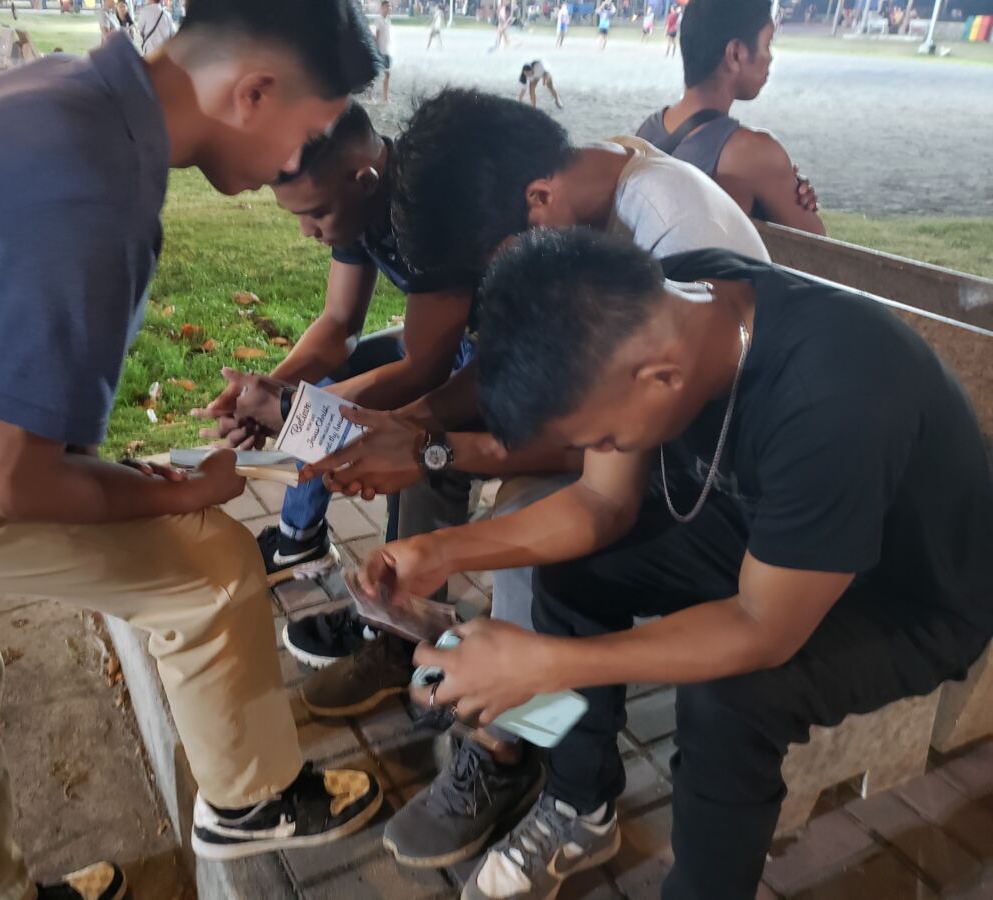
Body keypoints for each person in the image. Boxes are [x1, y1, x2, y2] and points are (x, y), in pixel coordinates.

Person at [0, 3, 387, 898]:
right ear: (255, 92)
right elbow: (9, 482)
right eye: (305, 133)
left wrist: (97, 468)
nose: (291, 164)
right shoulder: (92, 192)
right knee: (211, 567)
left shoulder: (65, 93)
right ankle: (252, 799)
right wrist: (175, 495)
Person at [363, 228, 993, 900]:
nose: (603, 450)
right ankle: (579, 806)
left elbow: (762, 628)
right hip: (779, 536)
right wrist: (443, 550)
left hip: (912, 593)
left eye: (605, 437)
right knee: (577, 572)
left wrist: (547, 663)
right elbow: (602, 504)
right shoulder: (657, 301)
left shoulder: (837, 394)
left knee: (733, 697)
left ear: (661, 377)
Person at [290, 86, 769, 726]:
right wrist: (410, 428)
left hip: (700, 476)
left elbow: (607, 461)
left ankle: (509, 741)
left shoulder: (670, 237)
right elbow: (517, 373)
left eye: (495, 268)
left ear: (537, 202)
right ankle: (408, 631)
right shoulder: (571, 195)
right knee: (432, 453)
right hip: (628, 440)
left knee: (523, 513)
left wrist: (429, 447)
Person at [196, 103, 473, 599]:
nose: (307, 231)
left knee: (414, 443)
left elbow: (425, 370)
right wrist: (267, 392)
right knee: (320, 386)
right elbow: (338, 324)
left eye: (315, 212)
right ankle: (301, 540)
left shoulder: (426, 206)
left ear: (364, 180)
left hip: (498, 359)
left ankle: (404, 611)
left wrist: (291, 409)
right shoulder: (360, 206)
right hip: (445, 345)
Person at [637, 0, 826, 233]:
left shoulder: (647, 131)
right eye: (767, 44)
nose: (770, 58)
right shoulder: (755, 153)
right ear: (735, 54)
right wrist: (787, 187)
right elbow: (818, 246)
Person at [372, 0, 393, 102]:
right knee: (376, 74)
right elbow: (377, 35)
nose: (390, 8)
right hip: (381, 50)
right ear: (383, 7)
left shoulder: (388, 19)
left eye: (390, 6)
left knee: (387, 74)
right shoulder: (378, 19)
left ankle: (385, 97)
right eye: (388, 6)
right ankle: (370, 96)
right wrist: (376, 49)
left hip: (387, 50)